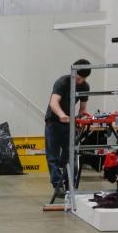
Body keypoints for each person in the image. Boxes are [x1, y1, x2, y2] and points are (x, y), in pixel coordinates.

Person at [44, 59, 91, 198]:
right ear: (73, 73)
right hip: (53, 121)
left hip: (69, 123)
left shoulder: (84, 86)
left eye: (82, 79)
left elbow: (83, 108)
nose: (79, 81)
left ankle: (68, 184)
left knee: (69, 155)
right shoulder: (62, 82)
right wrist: (61, 115)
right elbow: (53, 102)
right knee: (53, 156)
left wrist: (81, 118)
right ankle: (57, 185)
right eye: (77, 78)